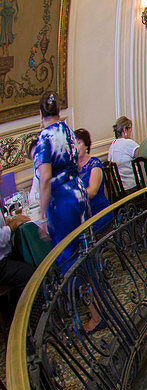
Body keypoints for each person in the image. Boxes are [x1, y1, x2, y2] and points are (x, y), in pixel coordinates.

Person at [33, 94, 90, 272]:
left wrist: (42, 216)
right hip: (79, 192)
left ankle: (76, 295)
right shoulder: (68, 132)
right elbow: (77, 166)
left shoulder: (45, 137)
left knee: (67, 254)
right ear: (59, 111)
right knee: (86, 247)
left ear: (41, 114)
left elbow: (44, 178)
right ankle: (92, 291)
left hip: (62, 200)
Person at [73, 129, 113, 234]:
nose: (75, 147)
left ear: (86, 145)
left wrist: (73, 197)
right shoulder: (72, 167)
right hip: (81, 214)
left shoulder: (94, 164)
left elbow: (92, 191)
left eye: (79, 143)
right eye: (73, 144)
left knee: (77, 234)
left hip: (98, 213)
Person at [107, 116, 141, 191]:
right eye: (130, 129)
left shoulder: (112, 145)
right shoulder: (127, 143)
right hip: (131, 187)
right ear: (125, 129)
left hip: (119, 189)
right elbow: (142, 155)